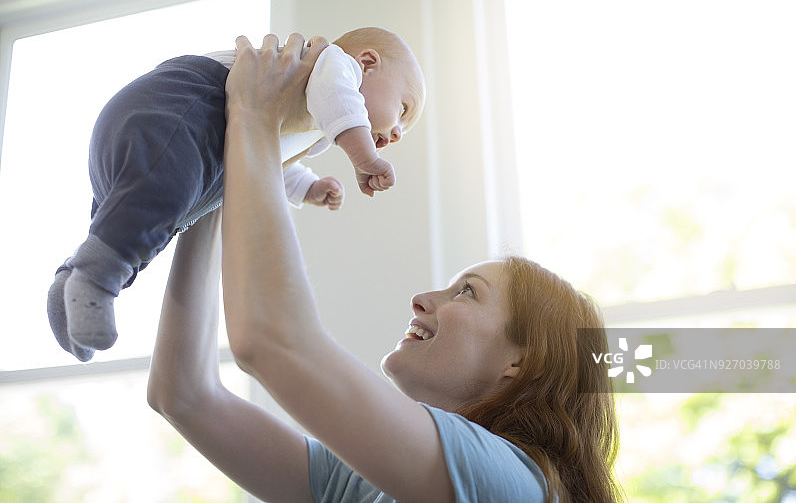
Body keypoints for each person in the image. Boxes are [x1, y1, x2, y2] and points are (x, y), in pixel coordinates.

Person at [147, 34, 624, 503]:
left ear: (520, 361)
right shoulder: (365, 486)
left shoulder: (515, 485)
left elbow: (273, 342)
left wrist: (253, 117)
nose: (420, 300)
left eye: (467, 292)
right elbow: (182, 395)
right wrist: (219, 171)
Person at [46, 26, 426, 362]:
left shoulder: (311, 121)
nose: (397, 134)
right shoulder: (332, 64)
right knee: (158, 197)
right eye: (403, 111)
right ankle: (95, 281)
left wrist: (307, 187)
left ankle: (73, 282)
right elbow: (341, 103)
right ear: (368, 63)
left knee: (145, 231)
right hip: (183, 104)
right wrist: (364, 158)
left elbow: (270, 156)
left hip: (167, 144)